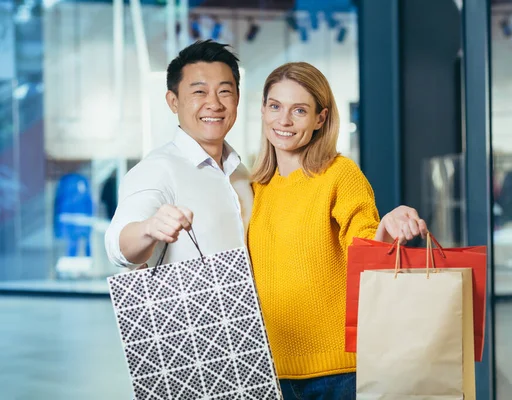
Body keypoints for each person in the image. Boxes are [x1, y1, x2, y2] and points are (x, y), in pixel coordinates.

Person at [247, 62, 428, 399]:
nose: (283, 121)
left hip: (340, 373)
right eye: (275, 106)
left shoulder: (338, 175)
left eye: (298, 110)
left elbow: (364, 242)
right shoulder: (256, 187)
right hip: (270, 369)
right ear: (263, 110)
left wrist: (386, 229)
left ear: (321, 118)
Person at [104, 40, 253, 269]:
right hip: (186, 304)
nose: (213, 103)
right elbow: (117, 247)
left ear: (237, 99)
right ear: (173, 102)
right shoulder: (157, 170)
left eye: (224, 92)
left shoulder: (241, 173)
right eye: (199, 92)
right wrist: (149, 228)